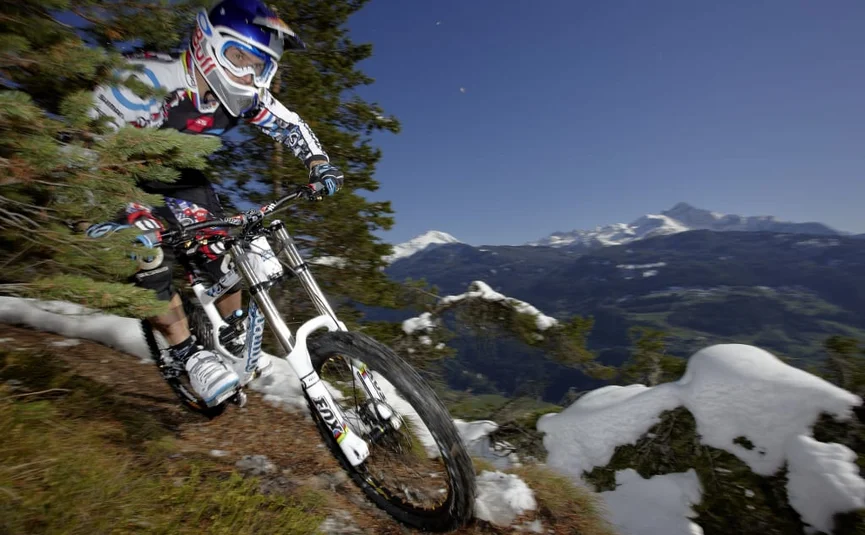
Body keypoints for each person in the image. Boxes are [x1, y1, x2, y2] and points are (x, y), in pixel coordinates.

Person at [88, 0, 344, 408]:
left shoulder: (246, 98)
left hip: (177, 177)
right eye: (238, 58)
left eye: (260, 66)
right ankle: (186, 353)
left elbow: (290, 125)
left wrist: (318, 163)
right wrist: (110, 216)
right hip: (111, 177)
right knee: (144, 252)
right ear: (206, 42)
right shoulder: (142, 79)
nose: (247, 75)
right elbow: (85, 145)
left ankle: (234, 328)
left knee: (219, 248)